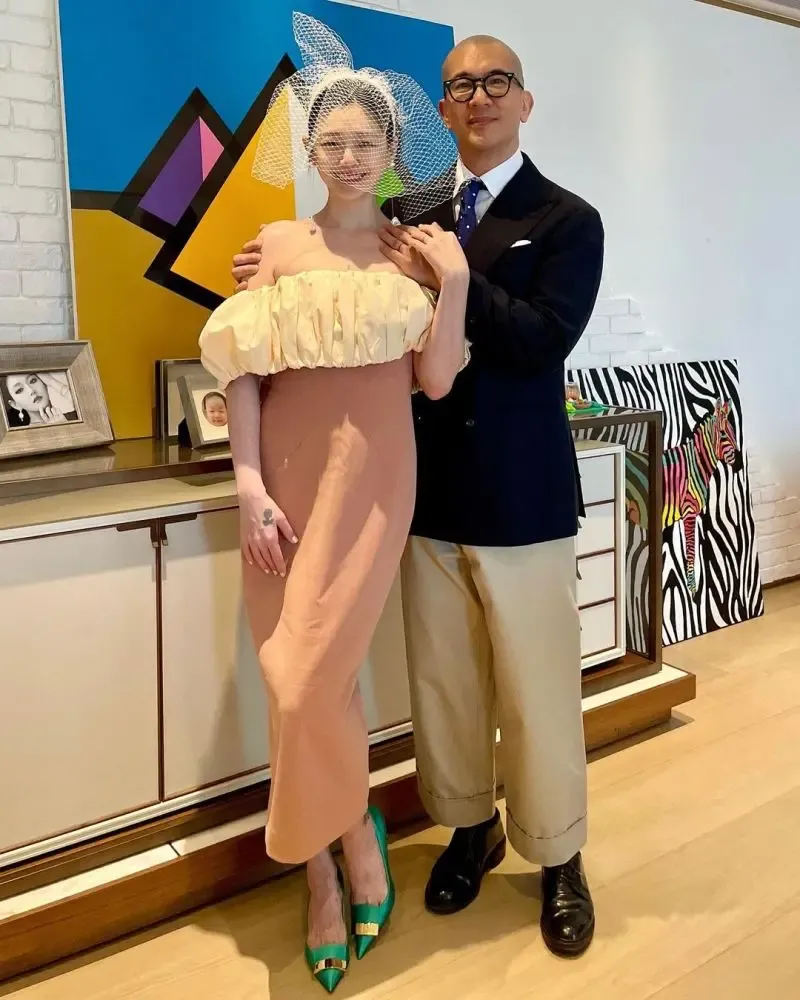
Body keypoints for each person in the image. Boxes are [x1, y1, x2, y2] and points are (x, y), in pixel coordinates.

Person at [233, 33, 604, 958]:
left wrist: (455, 278)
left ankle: (558, 854)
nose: (479, 97)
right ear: (439, 112)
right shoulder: (403, 216)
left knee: (538, 686)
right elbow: (329, 293)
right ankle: (468, 830)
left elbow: (541, 341)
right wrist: (276, 274)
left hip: (518, 490)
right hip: (419, 491)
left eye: (497, 82)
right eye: (461, 86)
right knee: (444, 684)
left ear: (525, 100)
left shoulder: (566, 218)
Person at [201, 13, 467, 993]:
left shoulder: (413, 252)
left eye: (365, 142)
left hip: (375, 481)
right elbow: (244, 370)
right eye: (332, 142)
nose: (349, 158)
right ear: (310, 152)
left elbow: (435, 380)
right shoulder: (273, 245)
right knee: (295, 681)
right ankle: (334, 853)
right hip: (283, 480)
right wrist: (247, 483)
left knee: (316, 678)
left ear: (392, 151)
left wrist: (455, 281)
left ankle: (343, 840)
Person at [2, 372, 79, 428]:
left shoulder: (75, 417)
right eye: (19, 390)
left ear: (44, 382)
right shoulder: (23, 438)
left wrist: (52, 382)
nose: (31, 390)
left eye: (33, 381)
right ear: (14, 404)